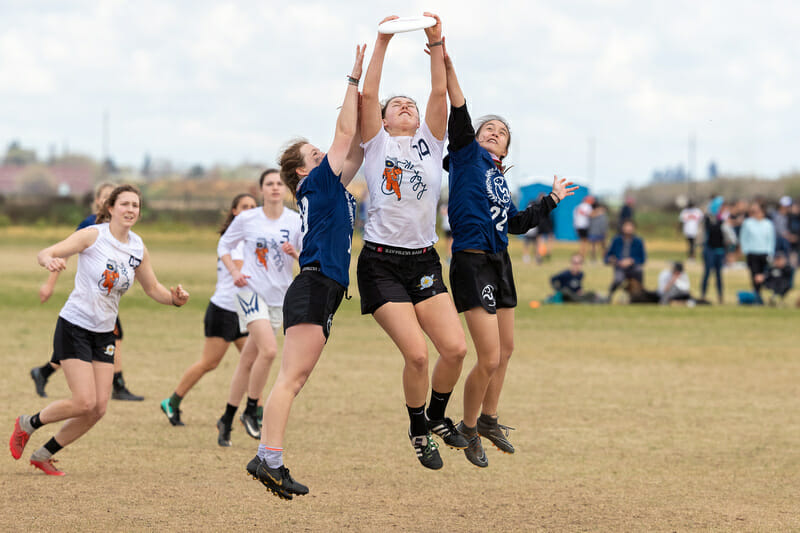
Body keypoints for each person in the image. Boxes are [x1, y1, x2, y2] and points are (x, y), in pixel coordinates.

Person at [441, 38, 576, 467]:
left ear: (505, 149)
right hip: (471, 260)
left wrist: (550, 201)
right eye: (488, 129)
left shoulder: (500, 179)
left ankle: (489, 418)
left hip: (499, 262)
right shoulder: (465, 158)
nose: (493, 132)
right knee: (490, 355)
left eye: (500, 133)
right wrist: (446, 63)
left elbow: (515, 223)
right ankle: (466, 427)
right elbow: (459, 110)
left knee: (508, 350)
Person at [246, 43, 365, 500]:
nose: (325, 153)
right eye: (315, 152)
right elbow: (345, 134)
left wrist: (368, 98)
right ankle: (268, 459)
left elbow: (357, 148)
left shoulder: (329, 181)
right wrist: (354, 80)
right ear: (301, 169)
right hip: (314, 284)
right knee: (290, 380)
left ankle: (269, 457)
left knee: (294, 380)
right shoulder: (316, 180)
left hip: (322, 288)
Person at [9, 185, 189, 475]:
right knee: (83, 401)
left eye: (136, 205)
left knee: (98, 409)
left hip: (104, 333)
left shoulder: (137, 247)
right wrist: (49, 260)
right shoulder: (93, 235)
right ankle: (27, 423)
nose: (131, 209)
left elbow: (153, 287)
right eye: (125, 204)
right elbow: (47, 251)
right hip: (74, 325)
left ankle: (43, 454)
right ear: (111, 208)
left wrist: (175, 300)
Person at [358, 14, 468, 470]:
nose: (405, 107)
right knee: (418, 355)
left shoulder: (430, 141)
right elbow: (366, 94)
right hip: (381, 264)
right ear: (382, 119)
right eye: (396, 104)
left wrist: (435, 41)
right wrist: (382, 40)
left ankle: (438, 416)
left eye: (410, 104)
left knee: (456, 350)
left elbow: (440, 93)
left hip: (423, 259)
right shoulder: (376, 145)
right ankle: (417, 428)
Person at [31, 182, 143, 401]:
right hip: (89, 300)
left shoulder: (125, 232)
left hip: (107, 300)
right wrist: (50, 283)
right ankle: (118, 385)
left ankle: (44, 371)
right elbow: (63, 252)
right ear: (102, 203)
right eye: (105, 197)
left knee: (99, 342)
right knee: (100, 341)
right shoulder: (91, 225)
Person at [214, 169, 303, 446]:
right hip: (249, 292)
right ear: (261, 189)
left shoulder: (296, 221)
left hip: (279, 297)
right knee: (269, 350)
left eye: (279, 183)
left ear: (286, 189)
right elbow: (224, 245)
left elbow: (307, 258)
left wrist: (295, 253)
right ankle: (252, 410)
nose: (275, 188)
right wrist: (234, 272)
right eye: (269, 184)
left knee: (248, 359)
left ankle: (227, 417)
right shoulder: (247, 219)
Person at [159, 193, 257, 428]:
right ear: (234, 211)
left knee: (254, 362)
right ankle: (172, 401)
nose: (249, 211)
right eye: (244, 207)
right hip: (224, 310)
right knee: (209, 363)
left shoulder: (249, 238)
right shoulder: (234, 240)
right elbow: (245, 270)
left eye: (253, 207)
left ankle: (255, 413)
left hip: (243, 310)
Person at [740, 201, 775, 304]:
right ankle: (756, 296)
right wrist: (745, 250)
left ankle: (759, 295)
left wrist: (770, 253)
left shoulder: (768, 224)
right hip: (752, 252)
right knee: (754, 275)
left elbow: (771, 239)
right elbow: (743, 237)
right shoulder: (748, 223)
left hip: (764, 253)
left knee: (763, 275)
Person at [604, 220, 647, 301]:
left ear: (634, 228)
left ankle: (640, 296)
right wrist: (613, 260)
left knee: (639, 271)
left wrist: (631, 261)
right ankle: (609, 296)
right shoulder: (616, 240)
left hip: (633, 267)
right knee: (618, 280)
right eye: (626, 226)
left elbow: (642, 259)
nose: (628, 229)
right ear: (622, 228)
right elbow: (607, 256)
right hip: (619, 266)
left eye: (630, 226)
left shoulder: (638, 241)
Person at [701, 196, 727, 304]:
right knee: (707, 273)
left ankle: (720, 297)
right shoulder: (708, 218)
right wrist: (721, 222)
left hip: (720, 250)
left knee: (719, 275)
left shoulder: (724, 218)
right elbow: (711, 230)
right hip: (709, 249)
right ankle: (703, 295)